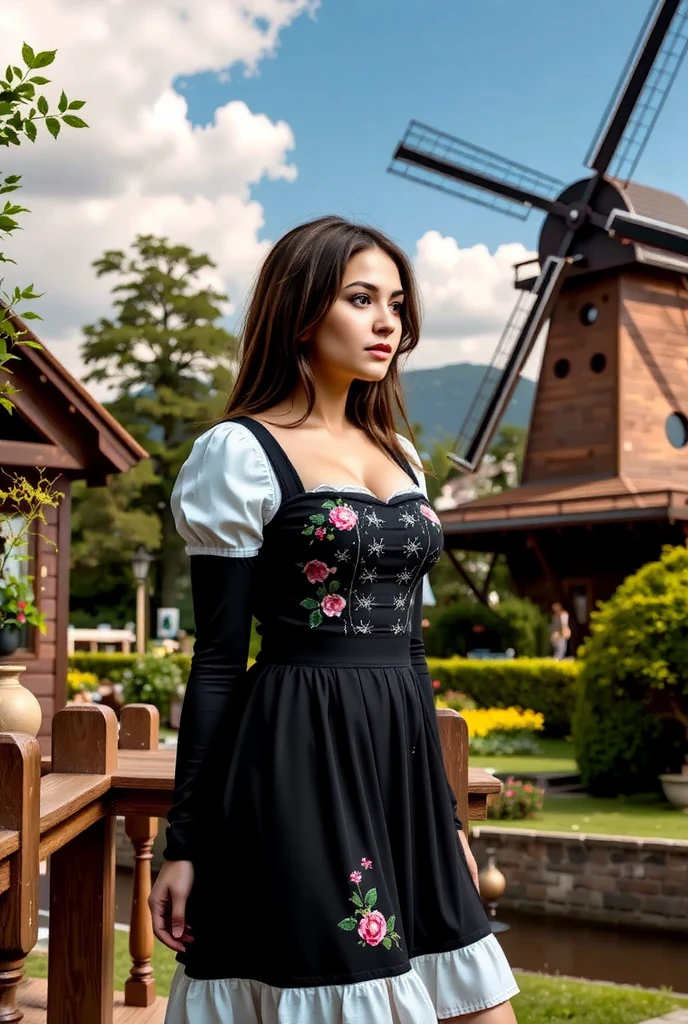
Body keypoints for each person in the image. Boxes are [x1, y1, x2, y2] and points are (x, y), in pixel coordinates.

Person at [150, 215, 519, 1023]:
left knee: (482, 1007)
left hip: (401, 761)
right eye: (361, 298)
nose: (388, 321)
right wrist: (185, 845)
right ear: (303, 310)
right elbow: (217, 660)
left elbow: (413, 652)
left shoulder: (400, 452)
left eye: (395, 302)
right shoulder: (240, 453)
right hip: (297, 754)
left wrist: (444, 811)